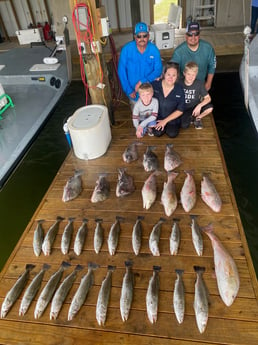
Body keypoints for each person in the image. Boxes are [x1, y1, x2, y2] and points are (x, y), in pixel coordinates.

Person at [118, 22, 163, 106]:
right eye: (139, 36)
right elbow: (121, 72)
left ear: (148, 36)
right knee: (136, 115)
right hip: (134, 93)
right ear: (135, 37)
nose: (142, 38)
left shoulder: (154, 49)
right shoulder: (126, 50)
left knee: (151, 115)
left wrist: (142, 81)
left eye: (144, 36)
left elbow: (158, 70)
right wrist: (128, 90)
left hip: (150, 92)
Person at [171, 22, 216, 91]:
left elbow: (212, 66)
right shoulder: (178, 51)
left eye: (196, 34)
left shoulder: (208, 48)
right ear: (186, 36)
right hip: (183, 87)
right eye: (190, 34)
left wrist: (208, 83)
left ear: (199, 35)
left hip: (201, 86)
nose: (193, 37)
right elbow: (172, 69)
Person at [151, 62, 185, 138]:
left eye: (174, 75)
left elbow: (180, 110)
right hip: (158, 117)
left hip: (172, 119)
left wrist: (165, 121)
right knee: (157, 133)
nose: (171, 78)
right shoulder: (154, 85)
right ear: (164, 74)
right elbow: (145, 96)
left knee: (172, 134)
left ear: (177, 77)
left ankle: (168, 125)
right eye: (168, 74)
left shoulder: (179, 89)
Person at [178, 61, 213, 130]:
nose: (191, 77)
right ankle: (191, 117)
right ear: (184, 73)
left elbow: (208, 98)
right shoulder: (179, 82)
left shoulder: (199, 84)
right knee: (184, 125)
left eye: (193, 75)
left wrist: (199, 106)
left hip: (195, 106)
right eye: (188, 74)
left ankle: (197, 118)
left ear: (196, 74)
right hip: (184, 108)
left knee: (210, 108)